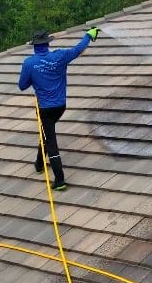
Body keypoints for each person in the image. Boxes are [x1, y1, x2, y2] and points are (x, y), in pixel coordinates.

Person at [17, 26, 99, 191]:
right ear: (47, 43)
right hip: (60, 107)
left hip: (45, 109)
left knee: (51, 140)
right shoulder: (60, 56)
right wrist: (88, 35)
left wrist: (35, 79)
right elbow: (78, 49)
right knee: (46, 133)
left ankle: (59, 180)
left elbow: (22, 86)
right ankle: (39, 164)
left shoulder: (29, 63)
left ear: (34, 45)